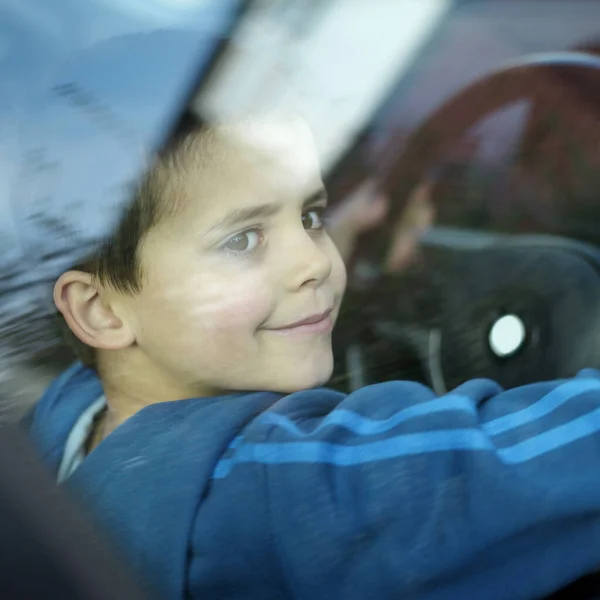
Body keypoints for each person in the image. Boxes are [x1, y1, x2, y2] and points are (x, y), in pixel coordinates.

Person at [25, 115, 600, 600]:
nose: (316, 263)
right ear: (101, 312)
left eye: (311, 218)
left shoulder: (63, 417)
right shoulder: (280, 491)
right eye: (242, 240)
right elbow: (501, 463)